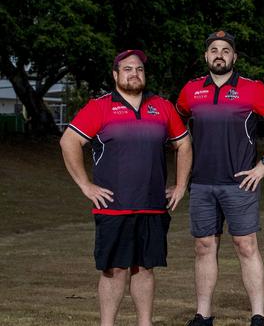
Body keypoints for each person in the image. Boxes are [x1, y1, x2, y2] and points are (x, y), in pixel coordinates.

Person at [60, 49, 192, 326]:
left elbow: (183, 144)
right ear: (116, 74)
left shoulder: (162, 106)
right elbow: (69, 141)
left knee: (145, 268)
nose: (135, 73)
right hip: (113, 206)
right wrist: (85, 185)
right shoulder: (100, 106)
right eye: (128, 69)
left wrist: (180, 186)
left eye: (139, 69)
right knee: (115, 269)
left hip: (152, 204)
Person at [176, 30, 264, 326]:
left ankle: (258, 315)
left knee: (246, 245)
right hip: (201, 183)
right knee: (204, 247)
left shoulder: (252, 89)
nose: (219, 54)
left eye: (225, 50)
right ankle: (203, 315)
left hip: (241, 182)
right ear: (206, 56)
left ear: (234, 57)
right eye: (213, 49)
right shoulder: (190, 90)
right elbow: (176, 129)